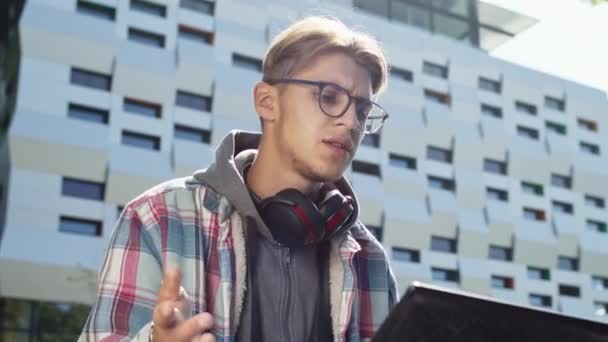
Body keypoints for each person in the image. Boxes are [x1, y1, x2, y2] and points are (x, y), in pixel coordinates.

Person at [79, 15, 397, 342]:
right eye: (329, 97)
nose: (351, 123)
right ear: (266, 102)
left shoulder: (369, 259)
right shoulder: (157, 218)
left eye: (361, 110)